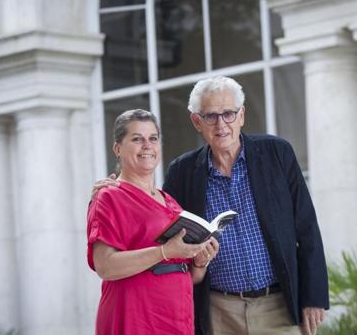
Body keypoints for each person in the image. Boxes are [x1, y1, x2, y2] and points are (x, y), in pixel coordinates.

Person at [94, 77, 329, 335]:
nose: (221, 125)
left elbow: (306, 227)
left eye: (228, 114)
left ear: (242, 115)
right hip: (217, 311)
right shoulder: (182, 171)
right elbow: (157, 215)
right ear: (197, 121)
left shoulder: (277, 153)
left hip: (277, 306)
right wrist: (115, 185)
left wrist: (313, 297)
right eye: (210, 116)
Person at [87, 109, 219, 335]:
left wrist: (200, 261)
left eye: (153, 138)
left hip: (176, 317)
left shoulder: (170, 202)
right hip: (135, 316)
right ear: (117, 148)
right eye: (137, 139)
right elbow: (105, 266)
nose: (147, 145)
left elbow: (190, 276)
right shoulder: (109, 196)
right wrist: (164, 251)